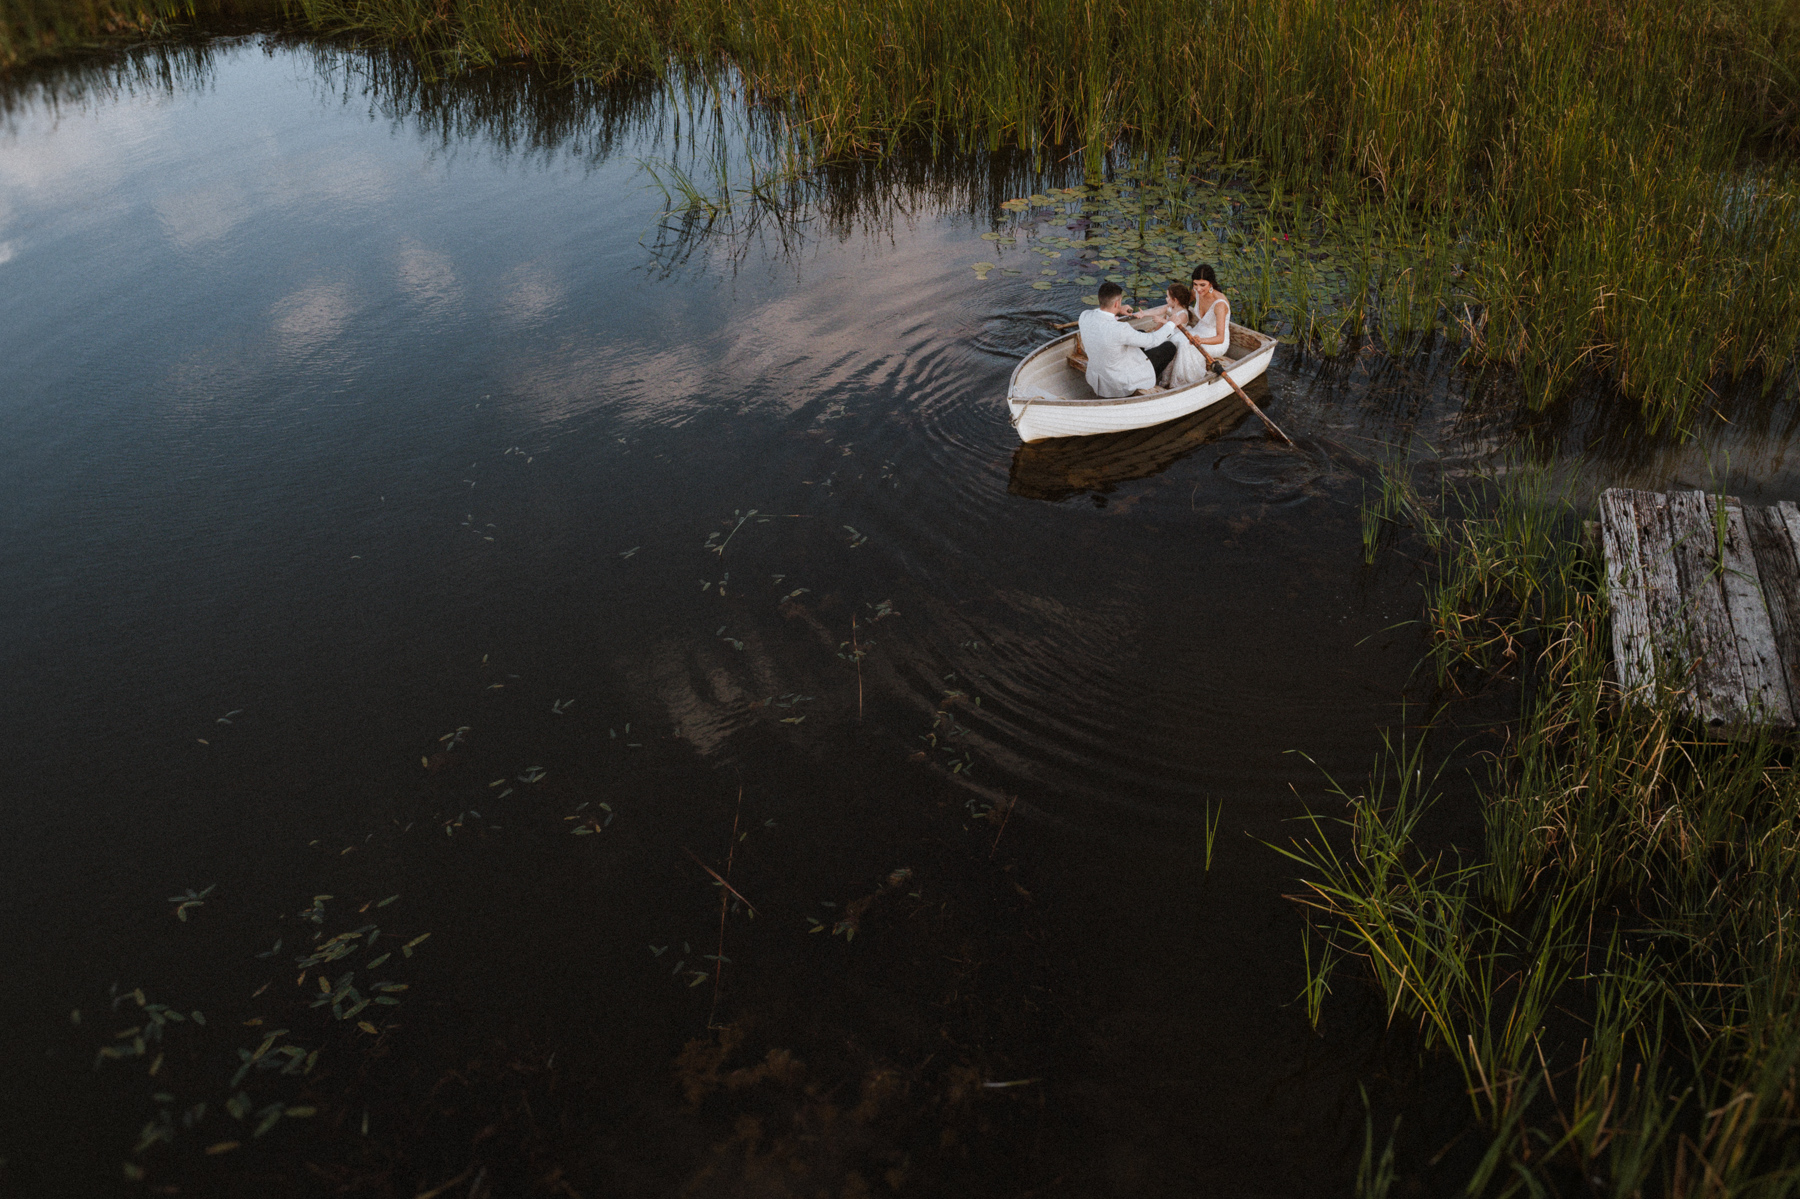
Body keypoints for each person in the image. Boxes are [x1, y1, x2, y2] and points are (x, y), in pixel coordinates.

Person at [1076, 281, 1178, 398]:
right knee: (1169, 347)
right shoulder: (1120, 329)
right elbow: (1152, 340)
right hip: (1118, 382)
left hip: (1098, 376)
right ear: (1116, 303)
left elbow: (1100, 314)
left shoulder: (1084, 316)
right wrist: (1171, 324)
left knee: (1140, 333)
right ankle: (1150, 382)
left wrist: (1118, 310)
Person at [1160, 283, 1211, 388]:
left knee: (1176, 343)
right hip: (1172, 331)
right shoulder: (1172, 308)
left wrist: (1161, 320)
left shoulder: (1183, 315)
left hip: (1180, 333)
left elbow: (1172, 324)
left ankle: (1171, 379)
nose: (1166, 299)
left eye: (1168, 297)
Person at [1189, 263, 1231, 360]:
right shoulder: (1196, 292)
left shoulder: (1219, 304)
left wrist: (1201, 341)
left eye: (1202, 285)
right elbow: (1181, 304)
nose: (1198, 289)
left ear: (1211, 283)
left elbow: (1220, 338)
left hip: (1215, 342)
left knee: (1188, 348)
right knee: (1175, 339)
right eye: (1195, 284)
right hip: (1198, 331)